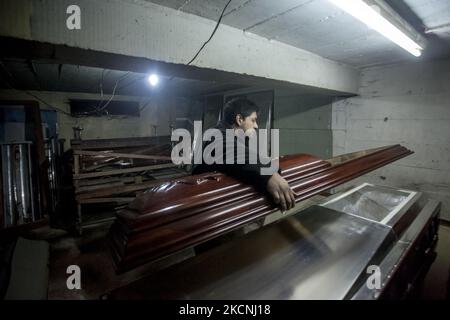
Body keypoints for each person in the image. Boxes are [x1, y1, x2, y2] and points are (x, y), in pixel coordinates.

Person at [193, 98, 295, 212]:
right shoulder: (216, 134)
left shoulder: (238, 137)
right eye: (253, 120)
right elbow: (233, 151)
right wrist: (269, 173)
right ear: (239, 119)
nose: (256, 125)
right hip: (204, 205)